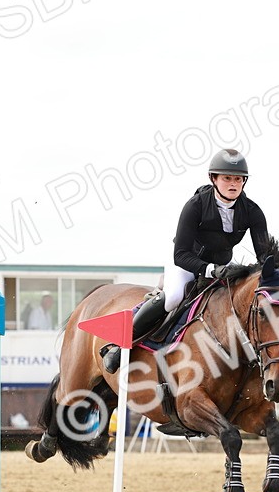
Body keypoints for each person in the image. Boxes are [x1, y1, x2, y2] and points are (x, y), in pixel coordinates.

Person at [101, 148, 270, 373]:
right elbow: (180, 254)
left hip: (222, 268)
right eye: (227, 178)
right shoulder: (196, 205)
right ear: (214, 179)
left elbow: (264, 256)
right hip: (187, 263)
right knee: (173, 298)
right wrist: (209, 269)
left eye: (238, 179)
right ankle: (121, 346)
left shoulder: (252, 211)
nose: (233, 184)